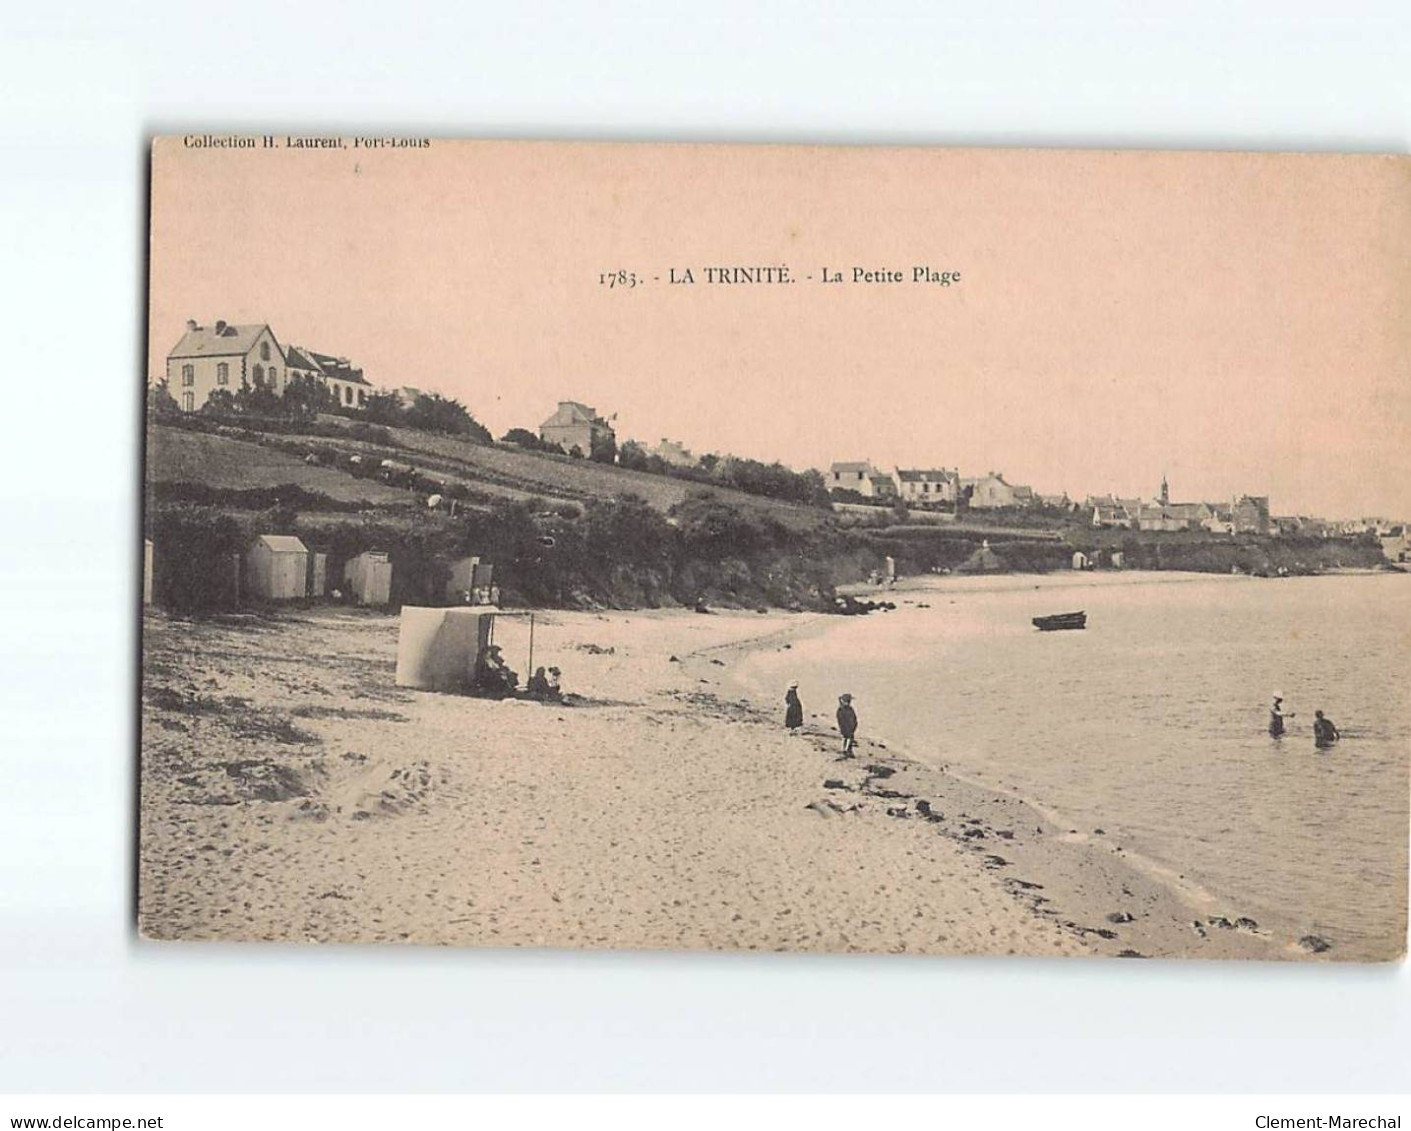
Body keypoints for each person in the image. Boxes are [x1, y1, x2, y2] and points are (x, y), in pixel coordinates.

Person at [836, 693, 858, 757]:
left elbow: (854, 718)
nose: (848, 703)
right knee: (846, 737)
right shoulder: (841, 709)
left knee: (849, 738)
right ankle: (845, 750)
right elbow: (840, 719)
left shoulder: (849, 709)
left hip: (850, 726)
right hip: (845, 726)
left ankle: (847, 750)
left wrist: (854, 725)